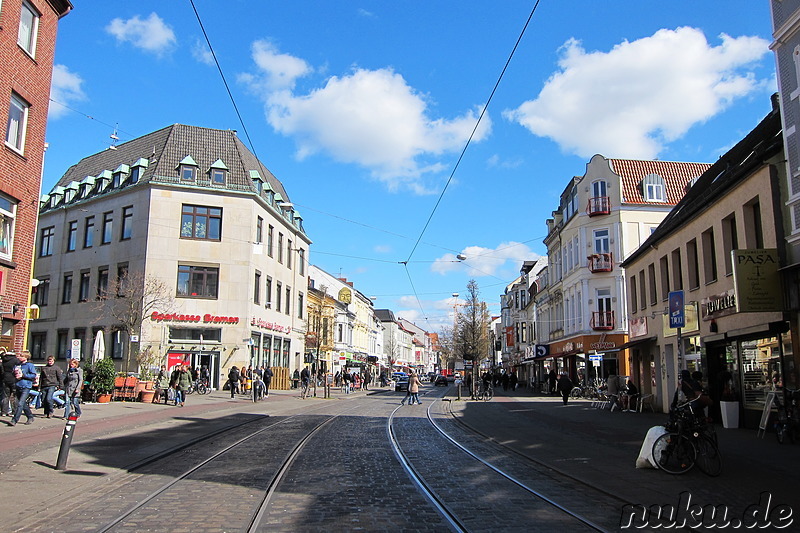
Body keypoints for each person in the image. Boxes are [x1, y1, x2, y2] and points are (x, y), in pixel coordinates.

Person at [9, 352, 37, 426]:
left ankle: (14, 420)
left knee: (20, 404)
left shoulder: (29, 365)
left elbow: (33, 375)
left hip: (26, 386)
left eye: (21, 356)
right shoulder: (18, 365)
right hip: (18, 385)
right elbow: (13, 373)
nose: (19, 357)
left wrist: (23, 375)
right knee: (23, 404)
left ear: (26, 357)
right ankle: (30, 417)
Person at [1, 348, 21, 417]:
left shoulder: (4, 360)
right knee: (14, 396)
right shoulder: (15, 360)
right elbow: (18, 369)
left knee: (5, 396)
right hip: (13, 378)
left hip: (5, 378)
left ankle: (4, 411)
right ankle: (14, 412)